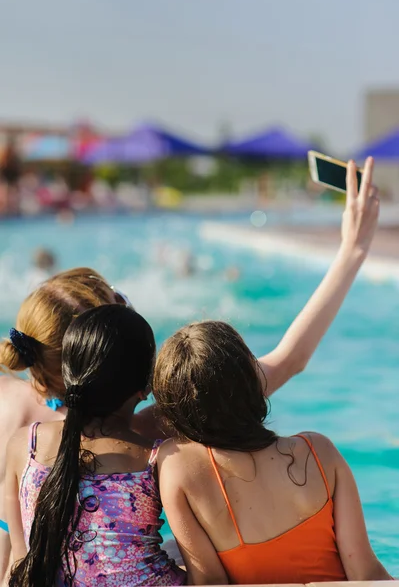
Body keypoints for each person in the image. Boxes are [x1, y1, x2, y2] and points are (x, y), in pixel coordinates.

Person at [0, 156, 381, 576]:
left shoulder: (21, 435)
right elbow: (289, 359)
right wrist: (352, 252)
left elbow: (13, 557)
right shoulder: (152, 431)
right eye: (120, 302)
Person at [153, 160, 393, 584]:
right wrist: (354, 248)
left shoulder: (179, 472)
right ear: (255, 384)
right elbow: (364, 572)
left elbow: (209, 583)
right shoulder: (320, 455)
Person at [5, 304, 185, 586]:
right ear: (146, 386)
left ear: (66, 374)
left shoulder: (24, 445)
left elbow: (20, 559)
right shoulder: (159, 459)